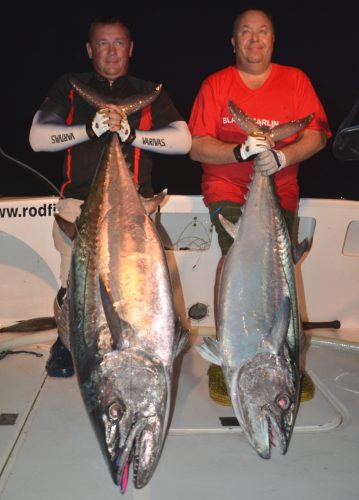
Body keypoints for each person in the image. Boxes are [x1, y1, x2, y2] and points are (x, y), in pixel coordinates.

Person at [29, 16, 192, 378]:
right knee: (75, 280)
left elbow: (183, 141)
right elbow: (37, 138)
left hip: (134, 206)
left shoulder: (150, 90)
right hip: (80, 206)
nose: (112, 51)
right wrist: (89, 129)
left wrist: (133, 135)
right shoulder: (70, 87)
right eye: (103, 43)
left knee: (138, 281)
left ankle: (140, 337)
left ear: (130, 49)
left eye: (119, 43)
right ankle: (66, 339)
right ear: (90, 50)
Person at [188, 8, 331, 404]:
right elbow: (197, 145)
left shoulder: (296, 80)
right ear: (233, 42)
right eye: (245, 33)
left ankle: (285, 357)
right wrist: (240, 150)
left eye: (262, 32)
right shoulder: (215, 85)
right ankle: (228, 353)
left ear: (273, 40)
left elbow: (317, 134)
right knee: (234, 261)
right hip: (226, 190)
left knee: (278, 275)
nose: (254, 39)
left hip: (279, 190)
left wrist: (281, 158)